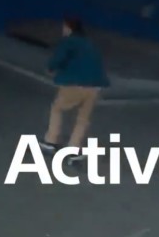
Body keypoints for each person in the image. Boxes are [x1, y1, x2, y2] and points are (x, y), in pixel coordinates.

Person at [38, 17, 110, 162]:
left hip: (76, 83)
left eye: (64, 27)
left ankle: (51, 141)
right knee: (83, 118)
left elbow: (58, 59)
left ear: (69, 28)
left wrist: (50, 68)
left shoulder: (70, 41)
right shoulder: (89, 43)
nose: (63, 30)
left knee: (57, 108)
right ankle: (73, 147)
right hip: (96, 86)